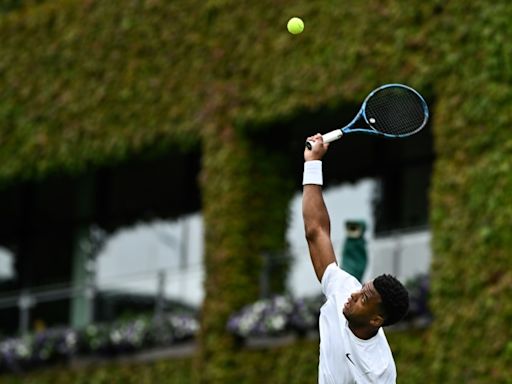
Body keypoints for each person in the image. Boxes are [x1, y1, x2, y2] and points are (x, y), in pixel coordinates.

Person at [302, 134, 409, 384]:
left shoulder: (379, 372)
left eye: (364, 297)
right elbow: (315, 232)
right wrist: (312, 163)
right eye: (362, 288)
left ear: (376, 320)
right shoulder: (345, 291)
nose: (353, 294)